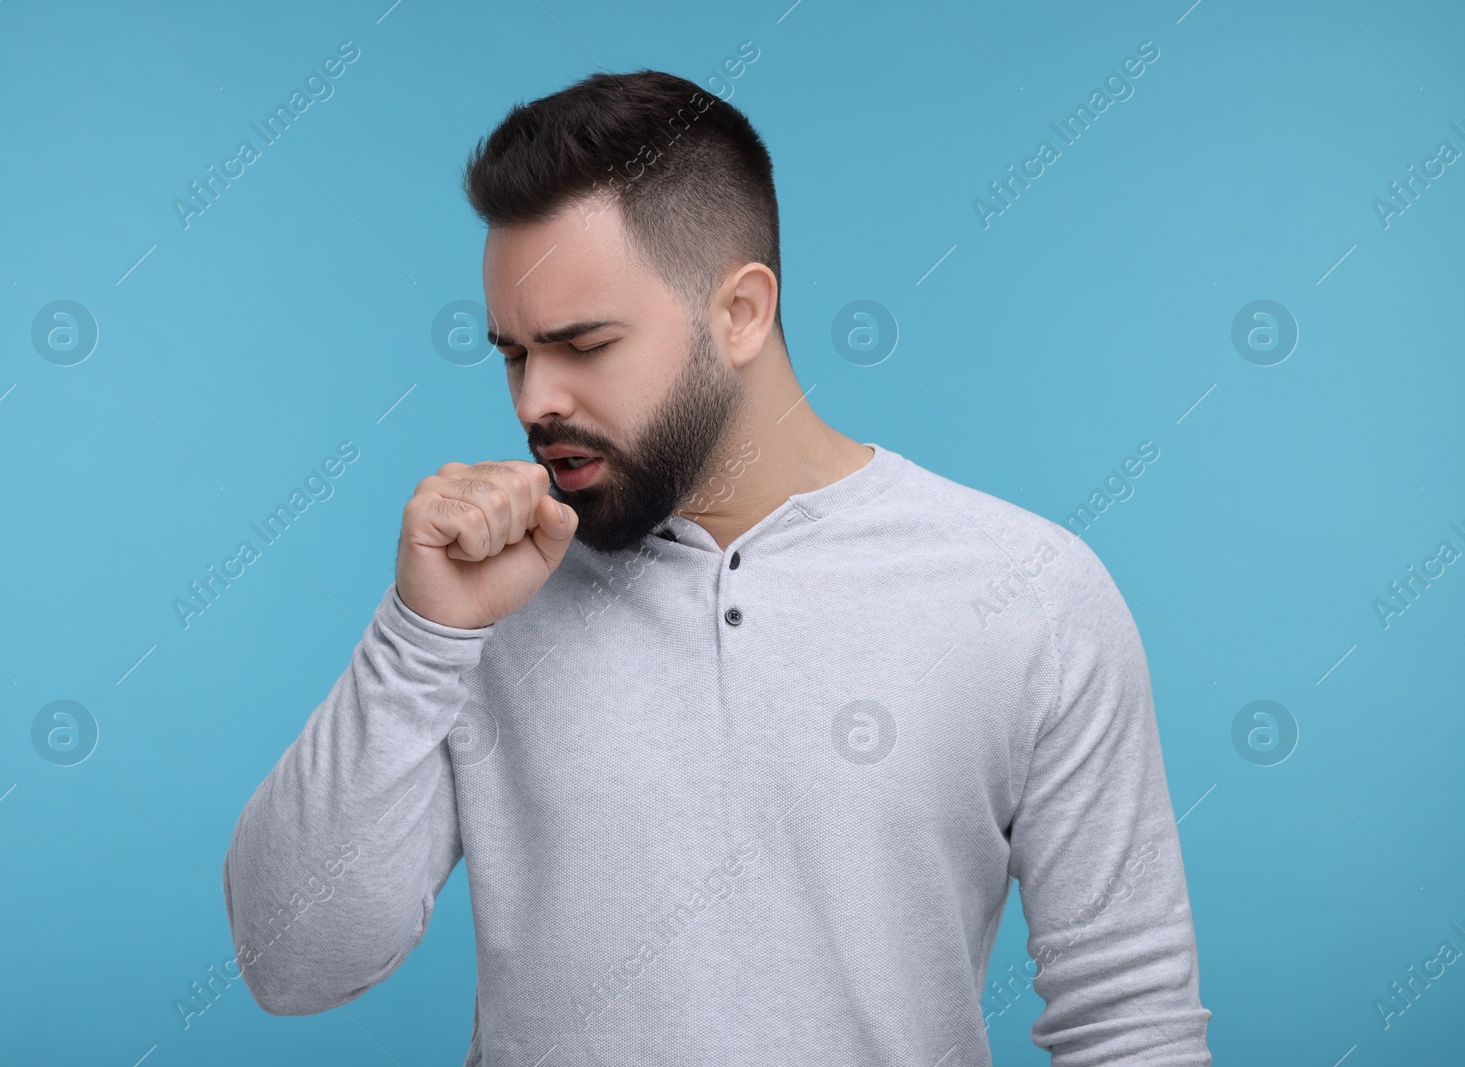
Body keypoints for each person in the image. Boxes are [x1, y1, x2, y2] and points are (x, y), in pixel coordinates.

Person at [222, 69, 1213, 1066]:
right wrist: (420, 633)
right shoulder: (486, 594)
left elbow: (1131, 1024)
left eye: (584, 344)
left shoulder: (1028, 592)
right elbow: (292, 962)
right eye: (514, 353)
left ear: (740, 311)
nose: (534, 400)